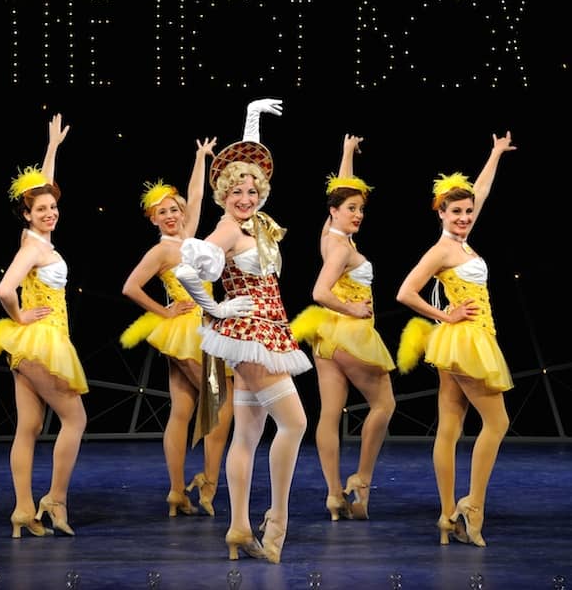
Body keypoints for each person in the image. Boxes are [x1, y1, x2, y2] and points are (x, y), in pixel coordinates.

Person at [174, 98, 312, 564]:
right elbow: (187, 268)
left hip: (268, 328)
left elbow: (250, 154)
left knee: (248, 435)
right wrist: (213, 307)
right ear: (223, 195)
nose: (245, 197)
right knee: (295, 422)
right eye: (236, 191)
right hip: (250, 332)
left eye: (252, 190)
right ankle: (277, 519)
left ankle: (237, 527)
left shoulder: (254, 224)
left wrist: (251, 115)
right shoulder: (227, 231)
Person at [0, 112, 88, 538]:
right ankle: (55, 499)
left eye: (53, 207)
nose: (50, 212)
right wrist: (18, 315)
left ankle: (23, 509)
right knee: (75, 420)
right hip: (42, 342)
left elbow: (42, 188)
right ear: (26, 216)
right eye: (41, 209)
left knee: (30, 427)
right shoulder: (34, 249)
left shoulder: (36, 239)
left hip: (28, 346)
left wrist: (52, 149)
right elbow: (4, 289)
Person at [395, 131, 516, 547]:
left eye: (467, 212)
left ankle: (448, 515)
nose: (464, 217)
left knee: (450, 425)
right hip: (465, 339)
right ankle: (472, 506)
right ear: (440, 214)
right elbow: (405, 292)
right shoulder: (443, 250)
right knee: (496, 422)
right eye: (456, 212)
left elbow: (479, 192)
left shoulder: (461, 240)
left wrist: (495, 153)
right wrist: (444, 314)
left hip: (463, 340)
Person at [120, 136, 235, 518]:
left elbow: (197, 195)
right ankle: (208, 482)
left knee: (182, 410)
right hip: (189, 329)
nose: (170, 216)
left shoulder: (190, 239)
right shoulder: (162, 250)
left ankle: (176, 492)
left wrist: (200, 157)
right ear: (153, 219)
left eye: (174, 209)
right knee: (222, 405)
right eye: (162, 213)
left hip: (200, 327)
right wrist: (164, 313)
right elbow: (130, 287)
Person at [290, 134, 396, 522]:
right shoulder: (341, 249)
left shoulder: (328, 236)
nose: (358, 214)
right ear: (334, 211)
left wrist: (347, 152)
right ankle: (361, 481)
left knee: (330, 414)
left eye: (361, 209)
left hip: (325, 340)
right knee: (385, 404)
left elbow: (341, 191)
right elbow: (319, 290)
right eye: (352, 208)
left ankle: (335, 495)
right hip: (349, 334)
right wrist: (351, 307)